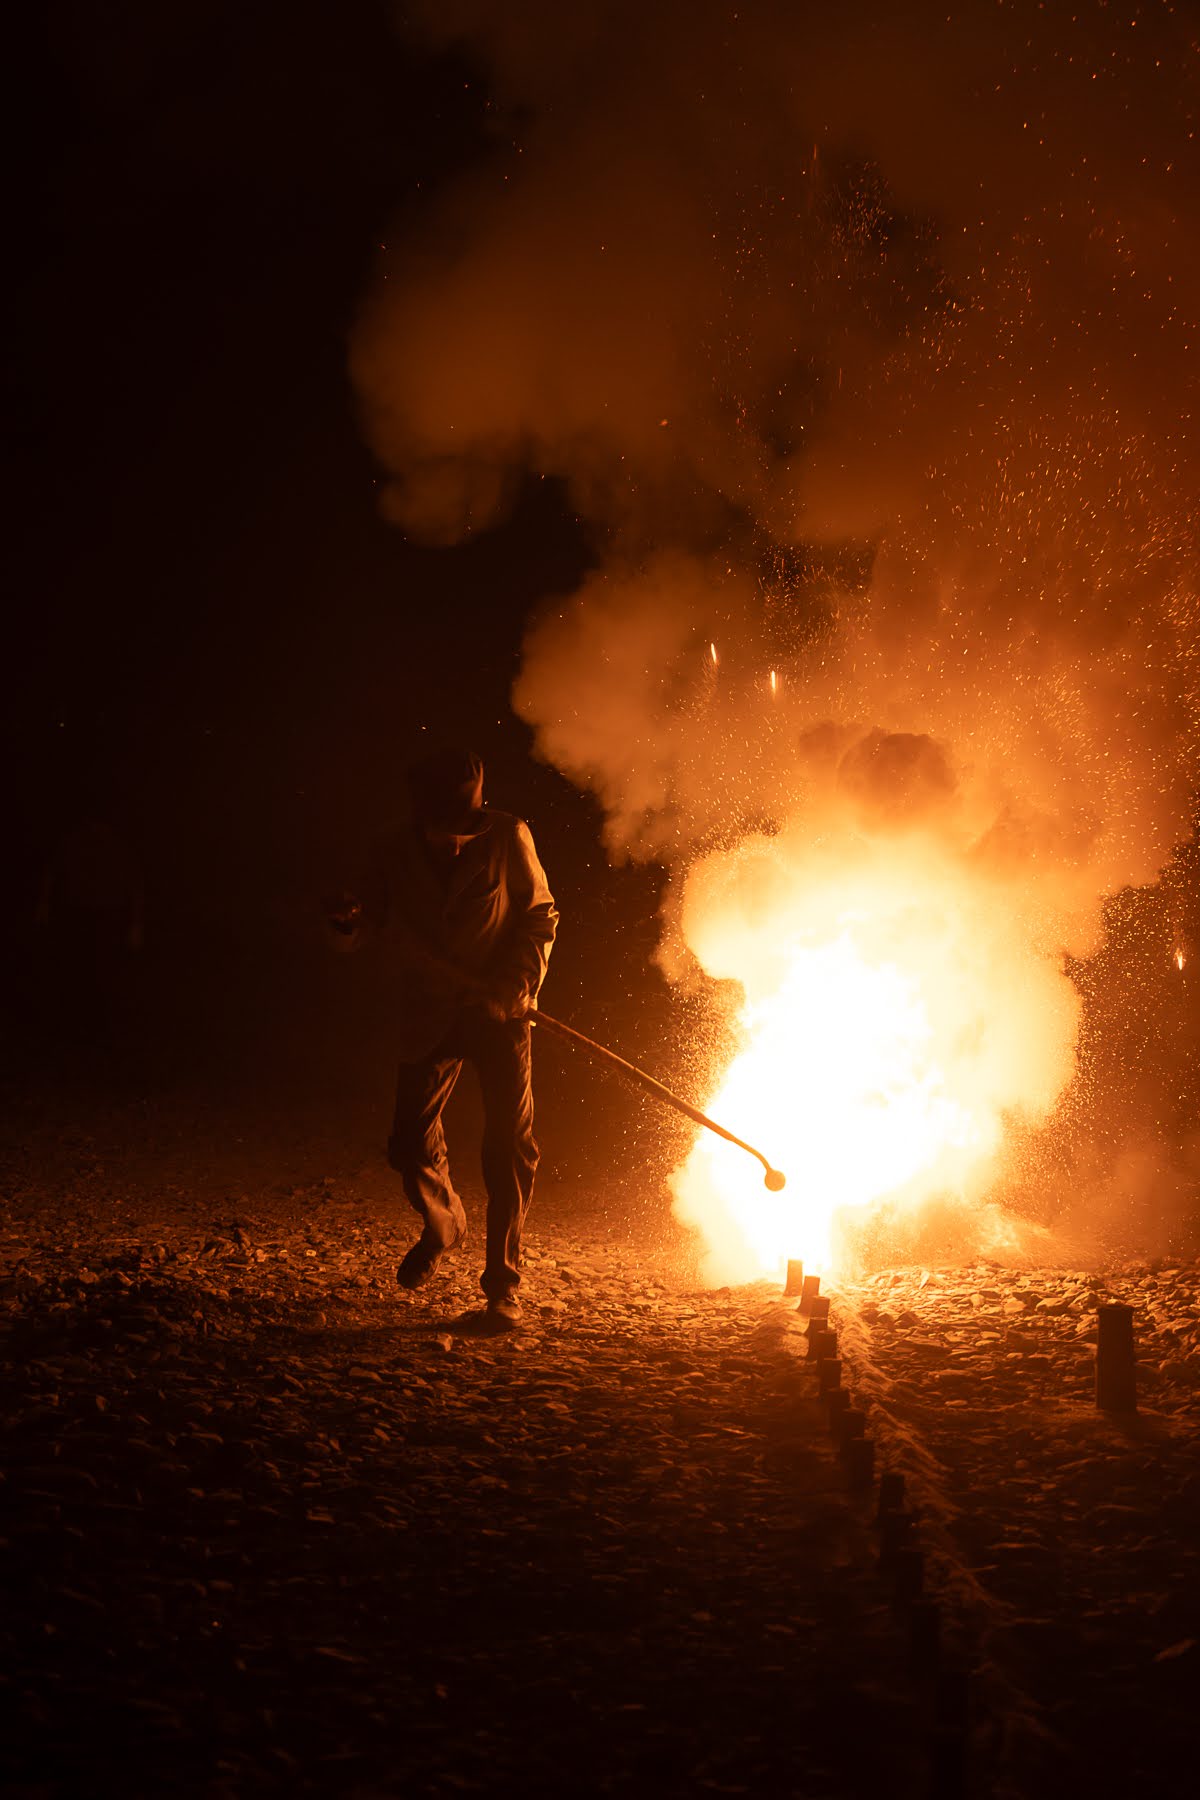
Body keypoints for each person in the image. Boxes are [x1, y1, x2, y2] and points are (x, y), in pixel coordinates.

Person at [328, 748, 557, 1332]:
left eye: (464, 829)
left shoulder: (508, 837)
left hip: (500, 1014)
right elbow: (365, 920)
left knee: (508, 1147)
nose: (455, 841)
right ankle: (445, 1224)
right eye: (443, 829)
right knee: (409, 1144)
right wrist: (346, 921)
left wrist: (515, 987)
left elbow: (540, 917)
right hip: (428, 1011)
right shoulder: (391, 847)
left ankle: (502, 1287)